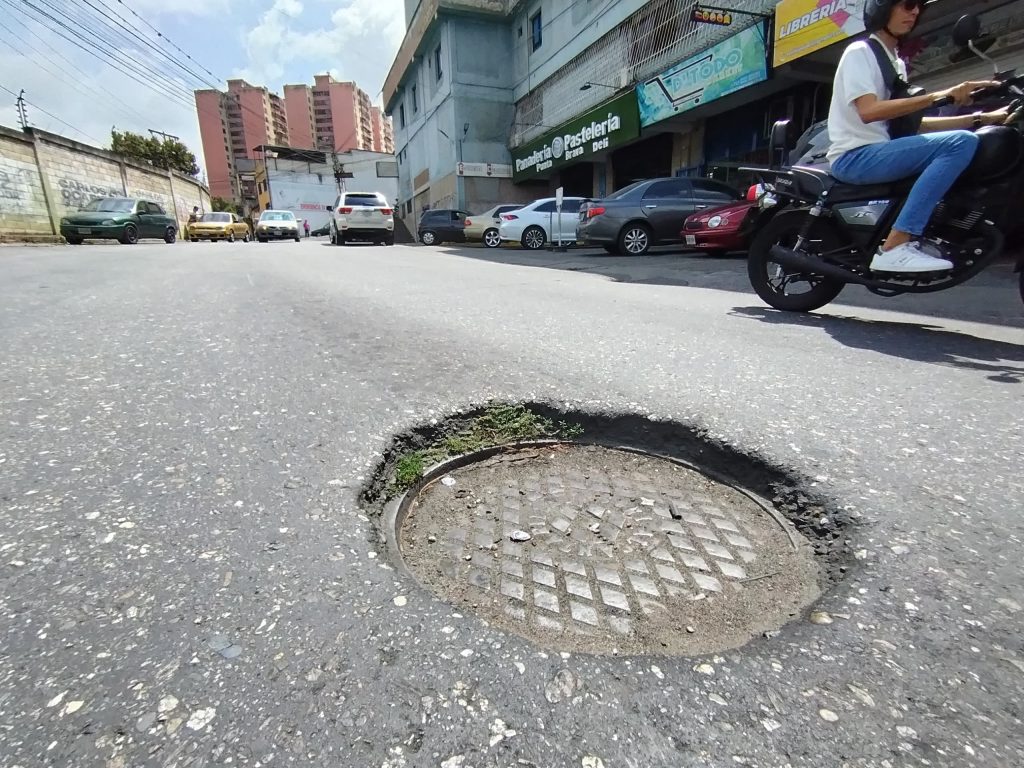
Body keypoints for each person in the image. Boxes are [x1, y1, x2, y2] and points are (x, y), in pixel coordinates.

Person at [826, 0, 1009, 273]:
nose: (914, 13)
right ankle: (896, 245)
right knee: (960, 143)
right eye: (907, 5)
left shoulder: (895, 63)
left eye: (918, 8)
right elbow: (869, 111)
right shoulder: (860, 52)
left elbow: (912, 125)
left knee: (967, 138)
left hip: (882, 152)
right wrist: (942, 95)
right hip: (855, 156)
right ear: (882, 9)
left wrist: (982, 118)